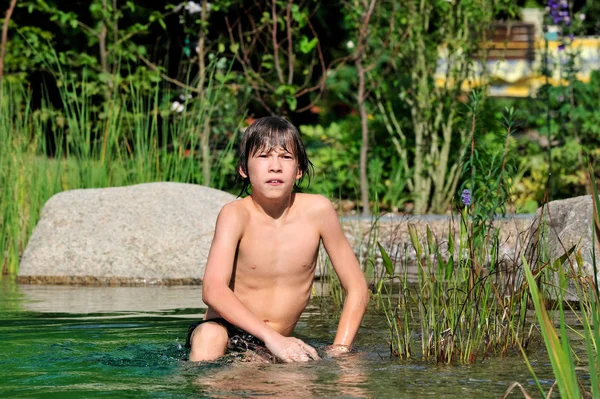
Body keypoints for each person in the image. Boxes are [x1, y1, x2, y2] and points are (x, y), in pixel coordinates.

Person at [186, 116, 369, 363]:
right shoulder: (235, 214)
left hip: (275, 345)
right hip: (227, 331)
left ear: (299, 170)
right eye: (263, 156)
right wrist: (272, 338)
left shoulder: (319, 212)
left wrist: (341, 350)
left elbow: (357, 287)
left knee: (288, 382)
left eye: (285, 157)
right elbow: (213, 290)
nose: (275, 166)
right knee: (209, 336)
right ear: (243, 169)